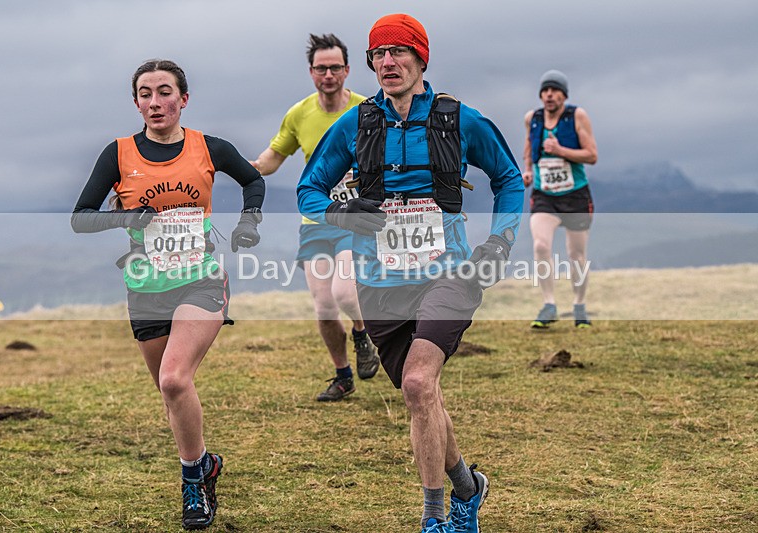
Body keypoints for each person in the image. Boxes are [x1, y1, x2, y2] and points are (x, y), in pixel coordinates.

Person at [297, 14, 524, 533]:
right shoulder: (356, 124)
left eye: (399, 52)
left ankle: (434, 518)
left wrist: (500, 240)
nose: (387, 62)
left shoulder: (459, 119)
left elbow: (509, 178)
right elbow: (308, 189)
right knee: (420, 395)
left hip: (450, 272)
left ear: (422, 60)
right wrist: (343, 214)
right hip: (378, 280)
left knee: (420, 382)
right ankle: (469, 487)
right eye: (379, 54)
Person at [71, 59, 265, 530]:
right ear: (135, 102)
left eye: (164, 92)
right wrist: (124, 218)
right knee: (169, 390)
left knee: (175, 379)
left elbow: (253, 180)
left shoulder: (209, 148)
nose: (155, 102)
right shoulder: (117, 154)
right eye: (145, 94)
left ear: (183, 98)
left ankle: (193, 485)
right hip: (146, 288)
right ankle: (204, 463)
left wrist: (248, 220)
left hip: (200, 280)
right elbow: (81, 216)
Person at [251, 33, 381, 402]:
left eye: (335, 68)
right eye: (321, 68)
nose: (328, 75)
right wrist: (242, 168)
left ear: (347, 70)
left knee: (344, 291)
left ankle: (362, 332)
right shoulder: (299, 114)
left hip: (355, 217)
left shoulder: (367, 109)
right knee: (323, 305)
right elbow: (273, 159)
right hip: (317, 219)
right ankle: (343, 376)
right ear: (311, 72)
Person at [522, 70, 598, 329]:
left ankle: (579, 305)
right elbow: (529, 148)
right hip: (545, 196)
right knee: (541, 246)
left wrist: (560, 150)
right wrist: (529, 169)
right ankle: (549, 304)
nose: (549, 95)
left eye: (554, 90)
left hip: (575, 195)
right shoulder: (532, 119)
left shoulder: (576, 116)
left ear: (564, 95)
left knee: (576, 255)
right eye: (545, 91)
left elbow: (592, 155)